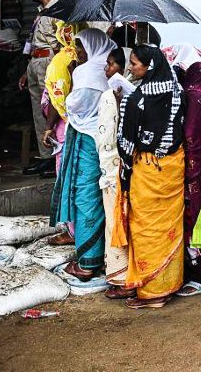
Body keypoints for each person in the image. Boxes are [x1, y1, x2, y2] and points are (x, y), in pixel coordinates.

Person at [113, 45, 186, 309]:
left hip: (146, 171)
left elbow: (125, 143)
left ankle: (152, 292)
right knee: (168, 229)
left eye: (134, 63)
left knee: (146, 229)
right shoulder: (178, 93)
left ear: (149, 67)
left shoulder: (136, 100)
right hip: (173, 169)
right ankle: (168, 284)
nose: (131, 67)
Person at [50, 28, 116, 281]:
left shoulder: (86, 71)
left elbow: (74, 104)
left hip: (86, 138)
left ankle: (89, 262)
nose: (77, 51)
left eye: (80, 46)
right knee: (101, 195)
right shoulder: (109, 69)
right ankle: (101, 255)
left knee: (85, 195)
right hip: (102, 137)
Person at [19, 0, 62, 176]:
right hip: (35, 63)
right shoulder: (41, 11)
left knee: (52, 111)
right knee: (38, 113)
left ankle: (57, 156)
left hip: (50, 63)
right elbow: (32, 42)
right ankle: (46, 157)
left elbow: (64, 45)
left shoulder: (59, 11)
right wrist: (27, 71)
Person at [97, 48, 131, 293]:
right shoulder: (137, 94)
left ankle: (120, 277)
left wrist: (108, 169)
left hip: (113, 169)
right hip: (128, 169)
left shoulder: (111, 95)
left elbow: (107, 138)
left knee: (115, 222)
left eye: (110, 64)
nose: (106, 69)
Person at [179, 62, 201, 293]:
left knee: (193, 214)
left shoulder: (191, 95)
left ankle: (197, 263)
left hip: (193, 162)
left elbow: (190, 133)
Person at [40, 21, 86, 179]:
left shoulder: (61, 60)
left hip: (65, 123)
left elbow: (56, 96)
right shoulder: (92, 56)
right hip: (87, 124)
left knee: (65, 167)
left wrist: (48, 127)